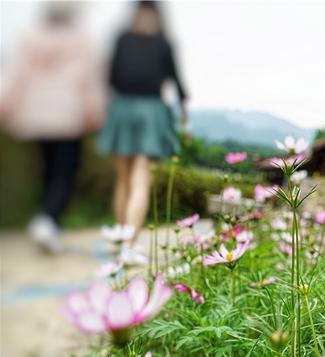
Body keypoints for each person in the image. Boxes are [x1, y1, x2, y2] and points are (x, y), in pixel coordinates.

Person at [0, 2, 105, 253]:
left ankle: (47, 221)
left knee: (47, 169)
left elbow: (14, 74)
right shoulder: (80, 39)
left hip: (34, 116)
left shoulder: (30, 36)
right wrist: (96, 113)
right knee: (65, 172)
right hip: (67, 115)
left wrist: (5, 107)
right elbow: (89, 80)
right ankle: (48, 219)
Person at [98, 0, 187, 256]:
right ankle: (129, 243)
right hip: (150, 111)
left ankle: (122, 235)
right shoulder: (163, 42)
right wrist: (183, 114)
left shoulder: (123, 39)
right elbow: (177, 81)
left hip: (122, 109)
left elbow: (111, 77)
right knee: (139, 179)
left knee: (125, 179)